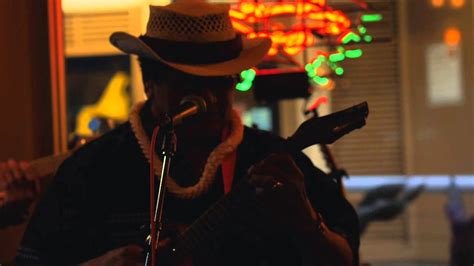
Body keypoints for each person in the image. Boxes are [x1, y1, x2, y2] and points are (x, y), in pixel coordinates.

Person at [13, 1, 359, 265]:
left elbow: (347, 254)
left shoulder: (274, 161)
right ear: (151, 83)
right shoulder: (94, 167)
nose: (208, 98)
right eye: (189, 83)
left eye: (221, 81)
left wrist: (307, 221)